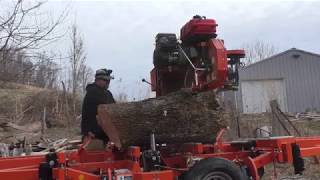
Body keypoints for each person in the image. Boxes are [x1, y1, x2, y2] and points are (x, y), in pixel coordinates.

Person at [81, 68, 115, 150]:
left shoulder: (107, 93)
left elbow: (114, 109)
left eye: (108, 81)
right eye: (106, 81)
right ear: (98, 80)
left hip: (104, 136)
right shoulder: (93, 92)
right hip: (93, 136)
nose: (108, 83)